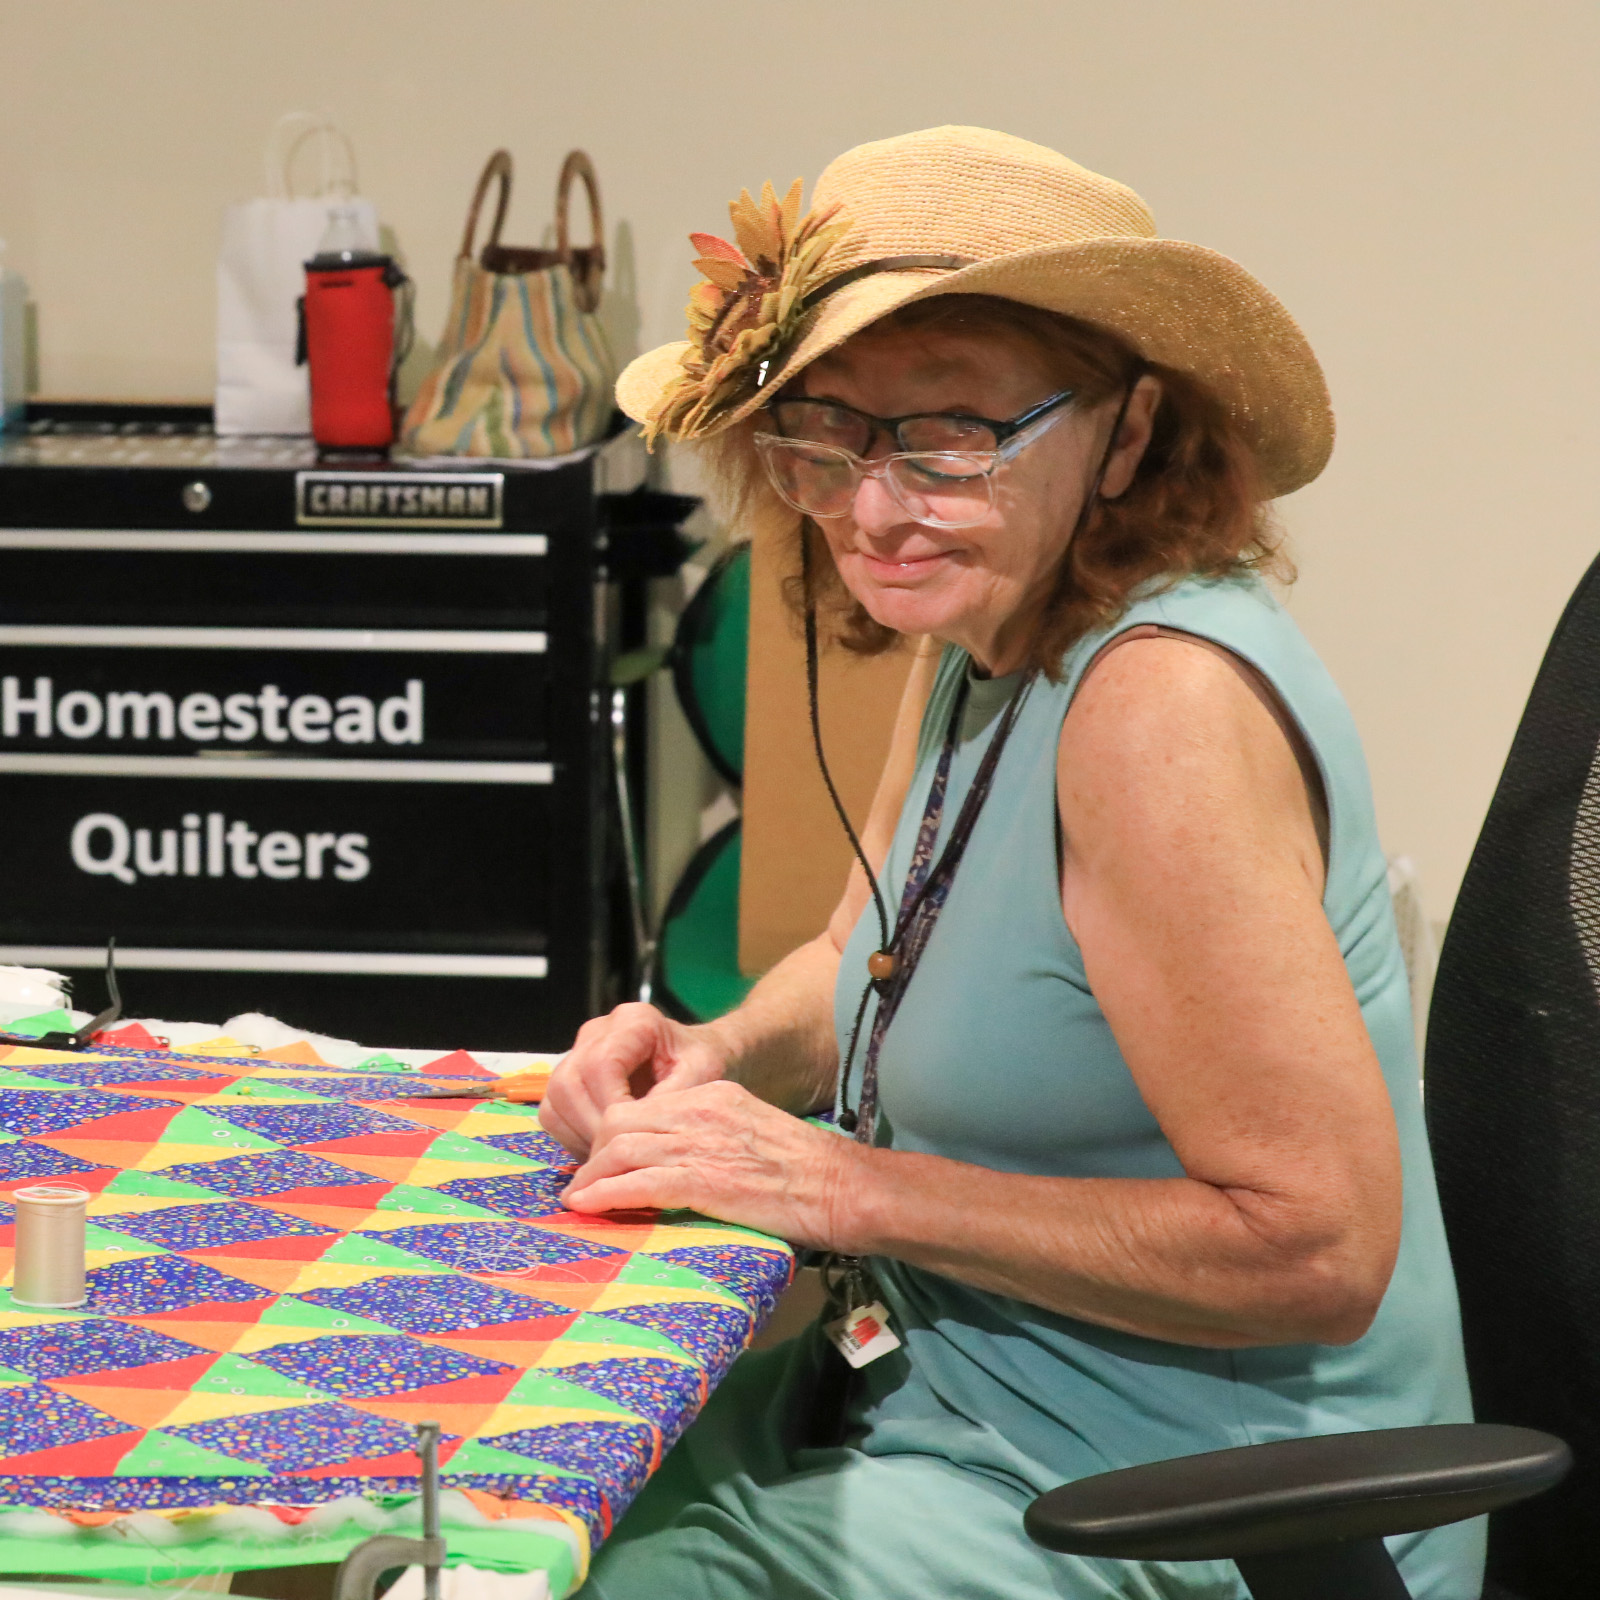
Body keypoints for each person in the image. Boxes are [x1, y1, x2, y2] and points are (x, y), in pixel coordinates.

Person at [541, 126, 1479, 1600]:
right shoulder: (987, 625)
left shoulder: (1158, 709)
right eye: (831, 431)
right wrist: (708, 1058)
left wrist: (846, 1190)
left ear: (1126, 431)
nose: (870, 508)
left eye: (951, 436)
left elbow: (1317, 1250)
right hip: (951, 1406)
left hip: (1188, 1506)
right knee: (498, 1497)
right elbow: (865, 956)